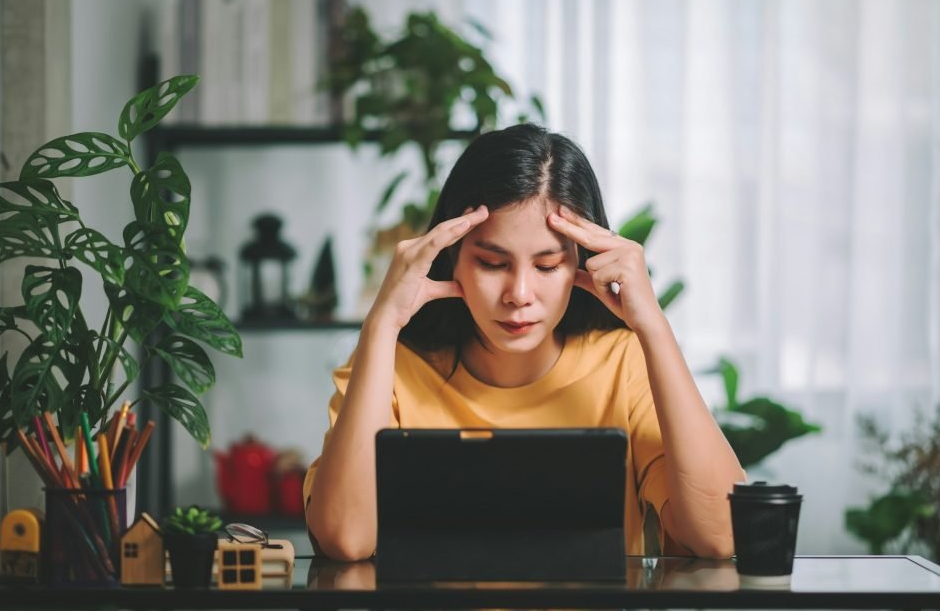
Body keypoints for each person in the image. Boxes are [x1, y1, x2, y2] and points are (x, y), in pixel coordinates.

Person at [303, 123, 745, 561]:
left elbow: (722, 535)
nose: (519, 294)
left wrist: (652, 326)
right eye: (493, 263)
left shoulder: (622, 363)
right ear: (451, 254)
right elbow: (347, 537)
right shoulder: (392, 365)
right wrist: (382, 323)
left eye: (548, 266)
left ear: (581, 262)